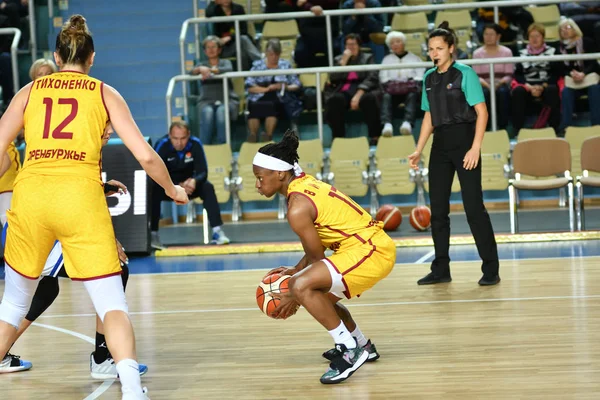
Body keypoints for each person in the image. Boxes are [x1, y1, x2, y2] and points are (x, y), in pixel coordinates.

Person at [0, 15, 188, 400]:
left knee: (13, 303)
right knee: (111, 303)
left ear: (56, 56)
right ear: (92, 58)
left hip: (31, 196)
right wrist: (172, 189)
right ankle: (133, 390)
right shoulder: (104, 92)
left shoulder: (30, 91)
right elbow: (147, 157)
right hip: (79, 199)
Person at [1, 128, 148, 379]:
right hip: (26, 229)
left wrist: (99, 188)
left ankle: (3, 352)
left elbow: (54, 185)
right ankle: (103, 358)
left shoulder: (37, 147)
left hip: (27, 225)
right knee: (115, 268)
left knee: (46, 288)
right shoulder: (9, 147)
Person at [253, 130, 396, 384]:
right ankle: (363, 346)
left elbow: (317, 258)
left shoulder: (297, 207)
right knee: (315, 295)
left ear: (280, 174)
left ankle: (349, 351)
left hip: (369, 250)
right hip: (366, 246)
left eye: (260, 177)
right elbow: (314, 251)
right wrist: (295, 271)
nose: (257, 184)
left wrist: (291, 290)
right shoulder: (303, 183)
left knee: (303, 287)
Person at [407, 21, 500, 286]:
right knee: (438, 211)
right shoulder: (428, 78)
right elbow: (429, 117)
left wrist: (475, 147)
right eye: (431, 49)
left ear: (451, 48)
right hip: (441, 147)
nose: (434, 53)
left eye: (439, 48)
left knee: (473, 209)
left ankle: (491, 269)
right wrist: (418, 149)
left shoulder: (465, 73)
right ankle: (441, 269)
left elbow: (482, 112)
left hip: (465, 142)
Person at [151, 121, 229, 249]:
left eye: (183, 138)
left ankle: (217, 232)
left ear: (189, 135)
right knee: (152, 190)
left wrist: (194, 181)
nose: (179, 142)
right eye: (175, 138)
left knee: (207, 187)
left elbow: (203, 171)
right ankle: (153, 234)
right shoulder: (162, 145)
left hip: (189, 186)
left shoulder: (196, 144)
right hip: (167, 187)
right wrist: (174, 185)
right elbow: (154, 173)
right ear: (170, 135)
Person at [324, 34, 381, 144]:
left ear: (359, 45)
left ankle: (375, 137)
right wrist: (343, 63)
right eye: (348, 45)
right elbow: (333, 79)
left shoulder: (368, 57)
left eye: (353, 44)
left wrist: (359, 94)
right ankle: (338, 138)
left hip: (363, 90)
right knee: (334, 100)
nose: (351, 47)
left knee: (369, 100)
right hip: (344, 90)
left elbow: (372, 77)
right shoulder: (339, 59)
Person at [245, 39, 302, 143]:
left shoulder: (285, 65)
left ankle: (268, 136)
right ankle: (253, 136)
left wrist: (284, 86)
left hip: (279, 97)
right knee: (253, 106)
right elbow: (249, 86)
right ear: (266, 53)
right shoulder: (257, 65)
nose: (274, 57)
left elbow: (297, 84)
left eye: (277, 54)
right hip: (259, 95)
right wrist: (266, 89)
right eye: (271, 54)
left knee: (272, 106)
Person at [511, 23, 562, 138]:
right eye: (531, 36)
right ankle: (518, 130)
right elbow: (518, 74)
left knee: (552, 90)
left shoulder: (553, 51)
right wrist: (528, 86)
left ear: (543, 37)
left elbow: (556, 73)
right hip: (527, 86)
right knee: (518, 91)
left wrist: (543, 86)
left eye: (537, 36)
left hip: (546, 84)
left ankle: (555, 128)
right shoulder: (520, 53)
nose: (534, 39)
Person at [191, 36, 239, 145]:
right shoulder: (201, 65)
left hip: (227, 100)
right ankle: (204, 148)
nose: (211, 50)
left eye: (214, 47)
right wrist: (199, 69)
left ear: (219, 49)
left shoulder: (226, 62)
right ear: (204, 51)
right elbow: (190, 72)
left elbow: (228, 69)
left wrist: (211, 70)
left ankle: (224, 147)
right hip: (206, 101)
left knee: (221, 112)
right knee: (207, 113)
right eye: (208, 47)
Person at [379, 31, 425, 137]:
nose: (395, 45)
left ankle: (407, 123)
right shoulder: (386, 59)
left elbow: (420, 74)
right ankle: (387, 125)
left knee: (412, 95)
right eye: (392, 43)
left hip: (409, 90)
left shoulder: (414, 58)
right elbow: (383, 77)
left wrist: (409, 82)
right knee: (386, 97)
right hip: (392, 91)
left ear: (403, 43)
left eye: (398, 42)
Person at [558, 18, 600, 132]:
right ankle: (566, 127)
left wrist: (583, 73)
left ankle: (597, 125)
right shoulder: (560, 48)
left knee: (595, 89)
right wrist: (571, 73)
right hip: (573, 81)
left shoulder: (587, 42)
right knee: (566, 92)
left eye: (567, 27)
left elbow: (594, 64)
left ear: (575, 28)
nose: (565, 31)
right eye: (561, 30)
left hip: (589, 78)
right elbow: (562, 69)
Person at [472, 24, 513, 130]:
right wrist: (488, 85)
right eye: (486, 34)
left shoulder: (507, 52)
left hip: (501, 84)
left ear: (498, 36)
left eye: (491, 34)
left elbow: (509, 75)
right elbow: (476, 76)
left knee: (502, 92)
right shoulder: (477, 53)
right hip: (483, 84)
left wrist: (497, 84)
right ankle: (485, 127)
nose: (488, 37)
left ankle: (503, 126)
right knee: (483, 93)